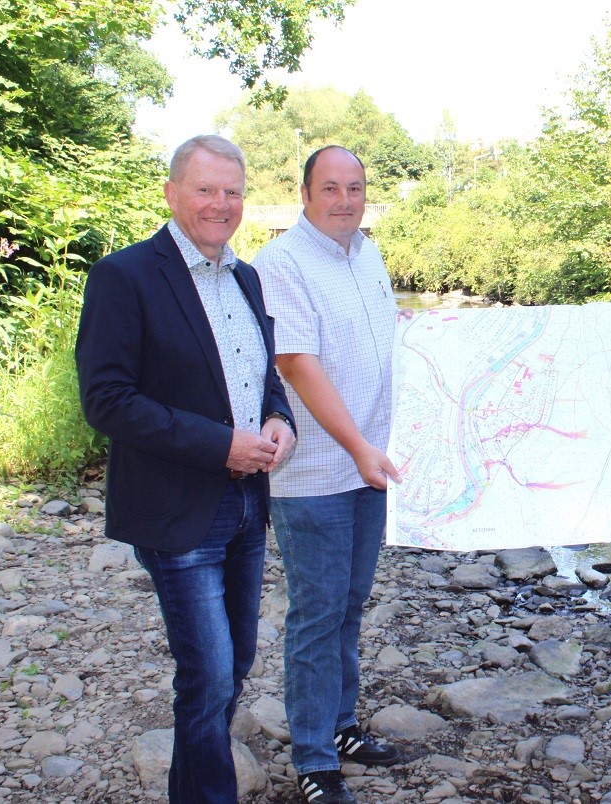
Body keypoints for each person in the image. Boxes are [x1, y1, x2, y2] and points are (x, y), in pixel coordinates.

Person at [75, 134, 296, 804]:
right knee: (208, 674)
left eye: (232, 191)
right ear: (172, 193)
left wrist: (278, 418)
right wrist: (219, 444)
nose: (220, 204)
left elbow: (263, 379)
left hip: (248, 506)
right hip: (178, 510)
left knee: (232, 667)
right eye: (205, 189)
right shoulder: (126, 276)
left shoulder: (247, 276)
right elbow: (106, 400)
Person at [254, 145, 405, 804]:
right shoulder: (282, 263)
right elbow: (296, 364)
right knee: (317, 615)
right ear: (306, 194)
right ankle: (314, 759)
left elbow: (391, 341)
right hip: (316, 474)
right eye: (331, 188)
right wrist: (356, 445)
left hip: (371, 466)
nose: (345, 200)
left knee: (349, 606)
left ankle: (341, 726)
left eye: (355, 188)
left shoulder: (365, 253)